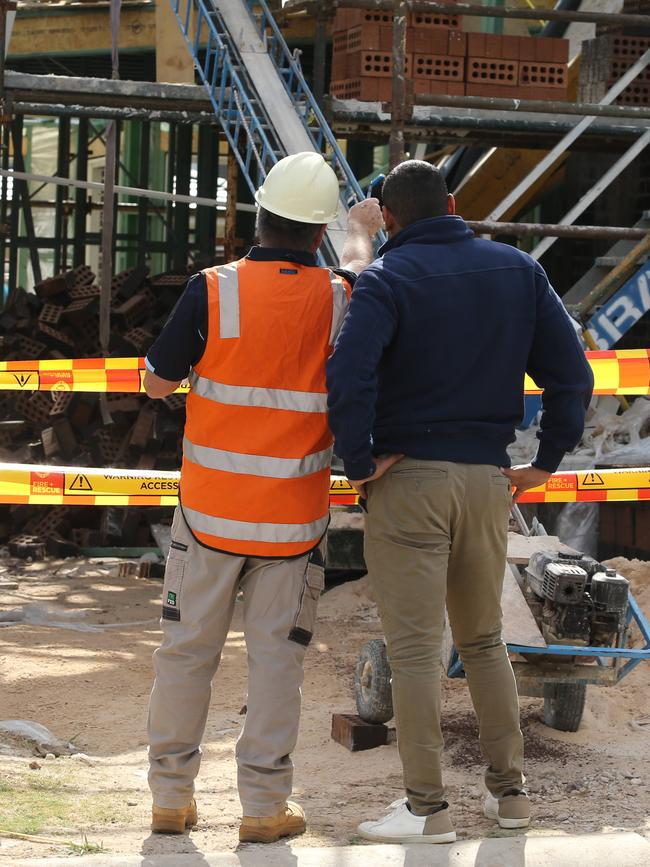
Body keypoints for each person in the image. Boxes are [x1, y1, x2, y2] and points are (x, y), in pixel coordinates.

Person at [326, 160, 594, 845]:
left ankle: (427, 809)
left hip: (408, 478)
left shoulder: (386, 278)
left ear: (388, 219)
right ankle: (511, 797)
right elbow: (574, 374)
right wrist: (548, 461)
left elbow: (348, 373)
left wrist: (358, 463)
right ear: (453, 203)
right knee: (483, 641)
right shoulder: (517, 270)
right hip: (487, 479)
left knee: (416, 651)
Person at [143, 152, 383, 842]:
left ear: (260, 216)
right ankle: (261, 806)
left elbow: (158, 383)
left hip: (209, 517)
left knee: (187, 653)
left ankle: (170, 796)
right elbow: (362, 273)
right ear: (317, 234)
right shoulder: (339, 296)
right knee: (277, 662)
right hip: (291, 527)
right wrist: (361, 227)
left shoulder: (212, 290)